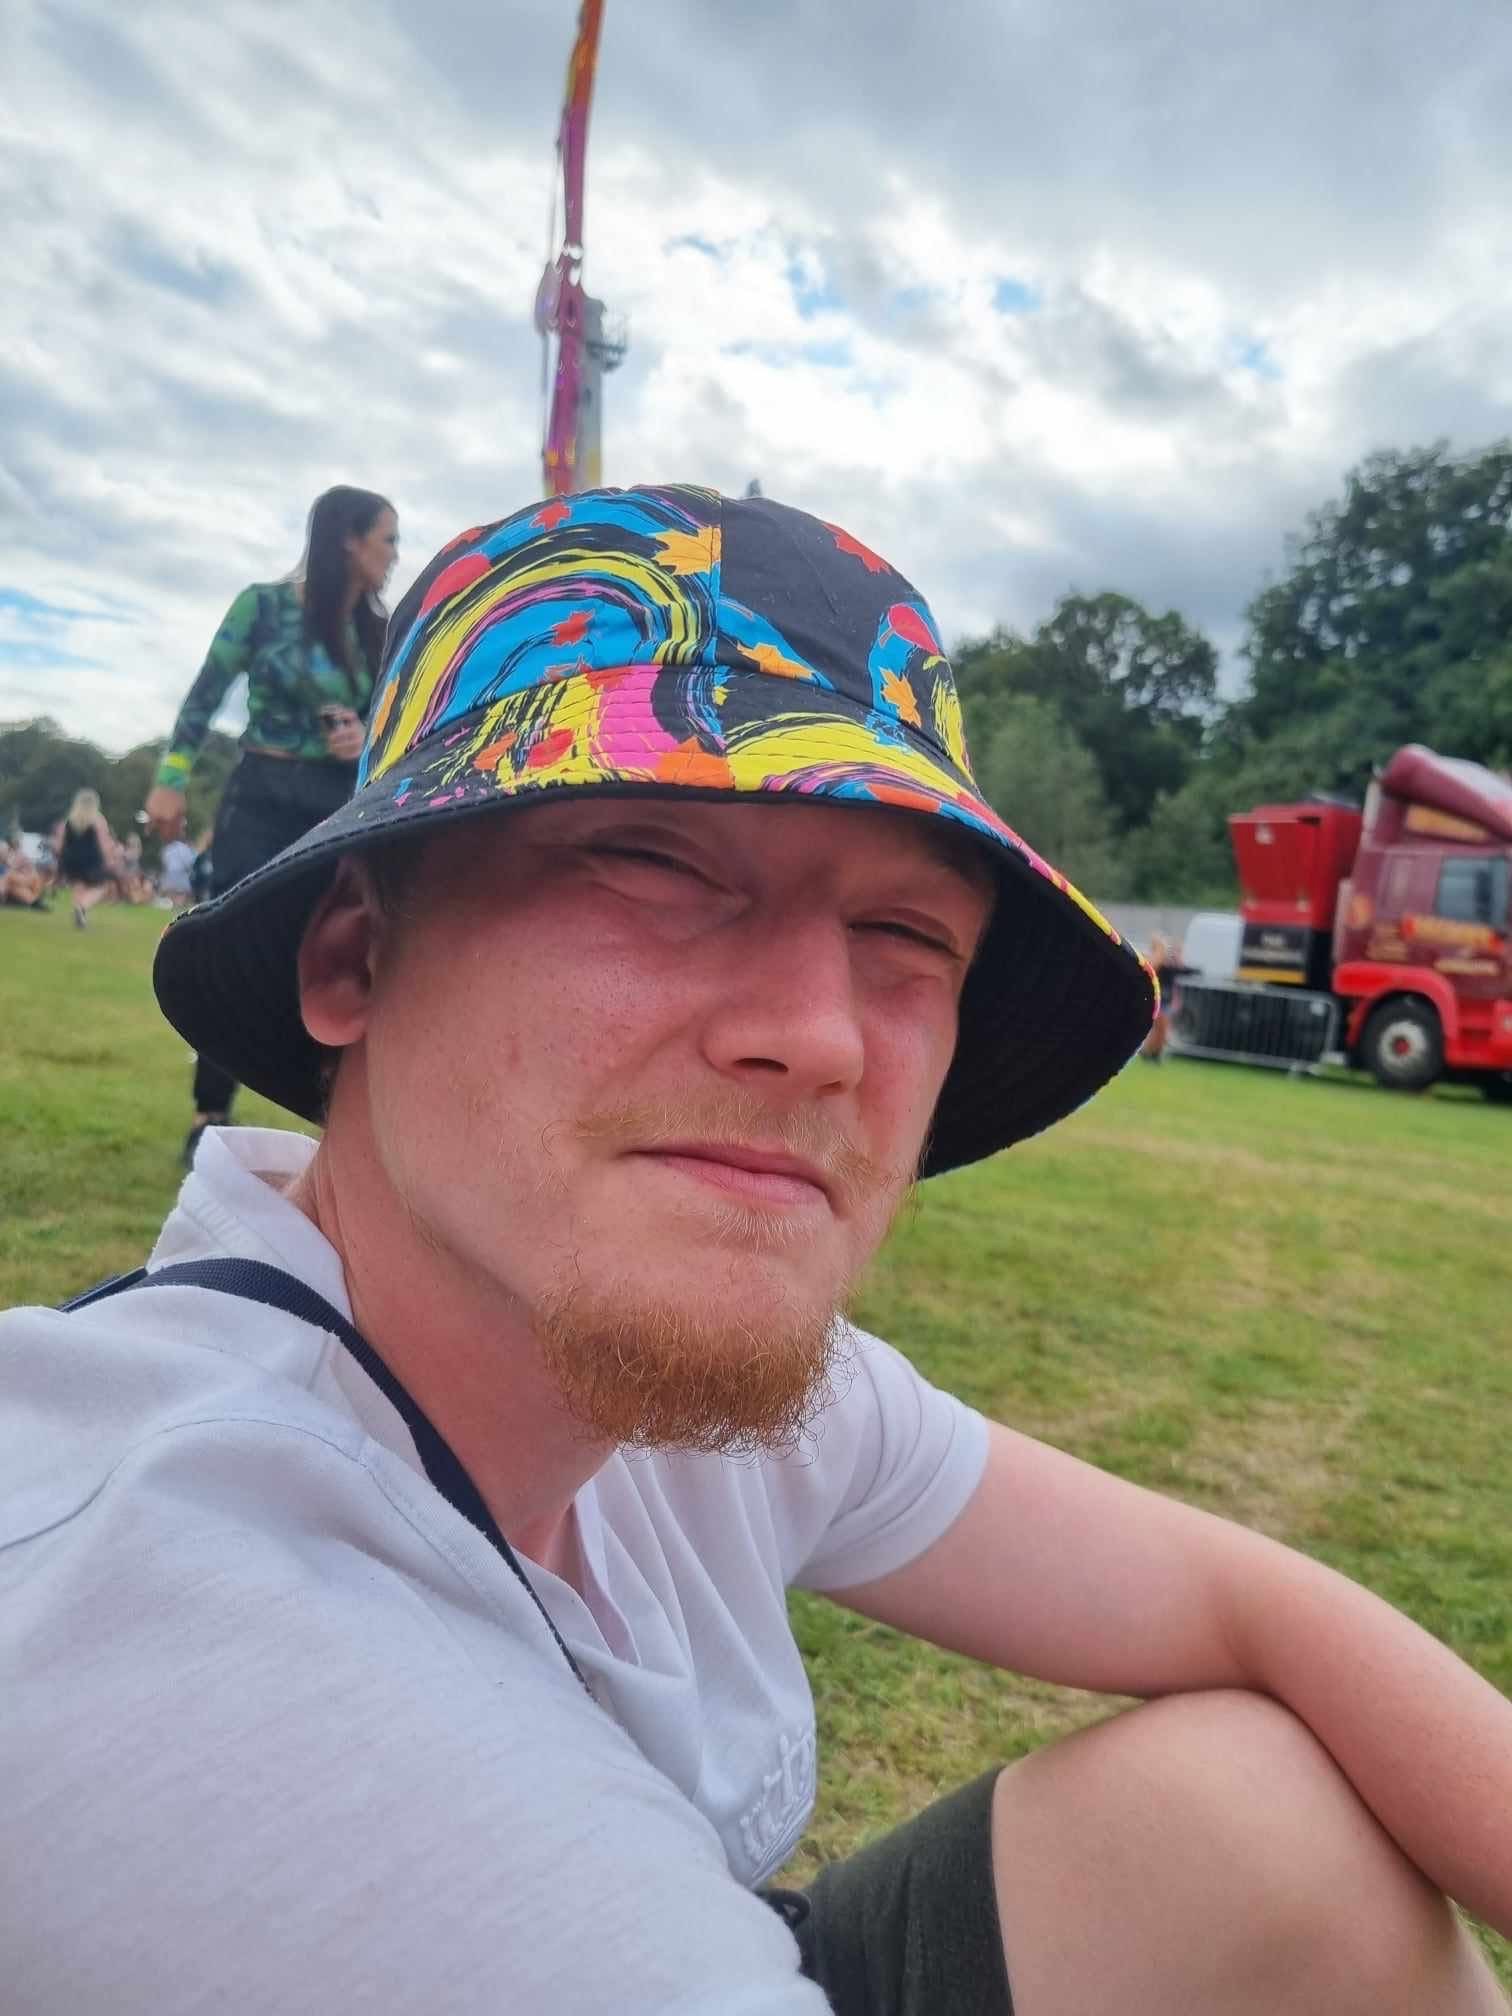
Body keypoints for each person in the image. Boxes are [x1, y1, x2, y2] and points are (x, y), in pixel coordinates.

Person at [3, 488, 1509, 2015]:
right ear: (356, 954)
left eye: (908, 937)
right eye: (654, 866)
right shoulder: (206, 1679)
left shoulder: (648, 1372)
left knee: (1248, 1823)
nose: (820, 1037)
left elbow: (1260, 1609)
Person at [145, 484, 398, 1164]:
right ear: (349, 540)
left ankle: (341, 1123)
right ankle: (210, 1114)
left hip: (337, 798)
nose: (394, 555)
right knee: (230, 941)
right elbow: (204, 695)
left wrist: (366, 735)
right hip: (260, 789)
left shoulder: (380, 631)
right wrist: (171, 779)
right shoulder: (261, 608)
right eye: (387, 540)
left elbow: (400, 718)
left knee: (340, 946)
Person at [56, 787, 116, 927]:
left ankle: (80, 916)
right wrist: (109, 860)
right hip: (91, 860)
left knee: (78, 886)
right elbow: (104, 843)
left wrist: (61, 859)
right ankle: (81, 907)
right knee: (101, 887)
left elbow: (61, 842)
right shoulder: (98, 820)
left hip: (70, 859)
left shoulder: (70, 821)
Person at [157, 832, 197, 910]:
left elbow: (164, 861)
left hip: (170, 873)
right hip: (180, 873)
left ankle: (174, 905)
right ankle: (178, 906)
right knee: (182, 892)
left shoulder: (168, 848)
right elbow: (189, 862)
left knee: (172, 892)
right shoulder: (184, 848)